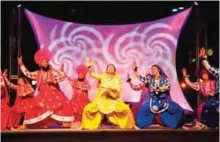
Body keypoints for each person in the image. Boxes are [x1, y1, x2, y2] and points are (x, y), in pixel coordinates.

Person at [17, 48, 74, 129]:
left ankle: (67, 123)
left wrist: (59, 74)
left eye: (46, 61)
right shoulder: (38, 73)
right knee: (32, 106)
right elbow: (28, 74)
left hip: (54, 93)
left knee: (65, 103)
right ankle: (26, 124)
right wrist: (21, 64)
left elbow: (62, 77)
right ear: (40, 64)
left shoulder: (53, 72)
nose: (45, 63)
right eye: (43, 62)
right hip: (43, 95)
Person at [81, 58, 136, 130]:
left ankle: (129, 126)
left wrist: (109, 90)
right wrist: (89, 66)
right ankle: (87, 126)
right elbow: (92, 74)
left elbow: (118, 91)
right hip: (101, 100)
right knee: (87, 109)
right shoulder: (102, 76)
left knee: (126, 109)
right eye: (109, 67)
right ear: (106, 69)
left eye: (112, 68)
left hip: (113, 100)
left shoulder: (117, 79)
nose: (110, 68)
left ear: (114, 71)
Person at [133, 62, 184, 129]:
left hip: (164, 101)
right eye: (152, 69)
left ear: (159, 70)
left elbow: (167, 87)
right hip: (153, 102)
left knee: (178, 110)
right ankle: (140, 125)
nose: (152, 70)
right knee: (142, 110)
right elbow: (140, 77)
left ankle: (176, 124)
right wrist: (135, 70)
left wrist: (158, 89)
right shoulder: (150, 79)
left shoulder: (165, 79)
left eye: (154, 69)